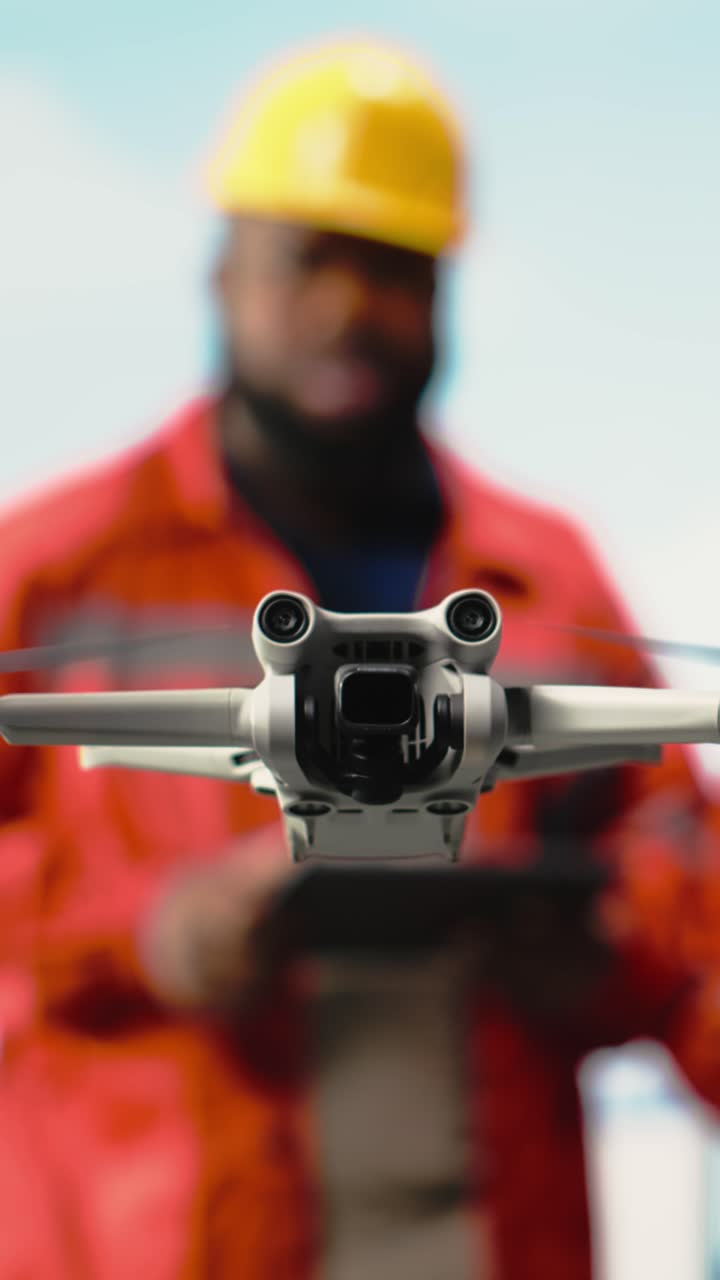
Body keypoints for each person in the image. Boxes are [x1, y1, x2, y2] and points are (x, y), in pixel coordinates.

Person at [0, 37, 718, 1280]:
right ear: (224, 269)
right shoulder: (58, 574)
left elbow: (681, 886)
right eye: (309, 257)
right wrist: (145, 932)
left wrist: (604, 951)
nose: (348, 308)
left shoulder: (545, 583)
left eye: (391, 266)